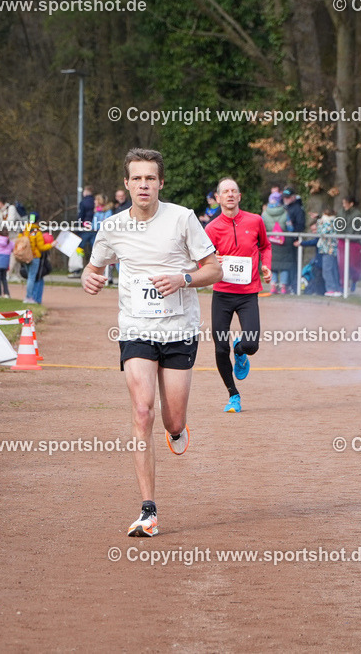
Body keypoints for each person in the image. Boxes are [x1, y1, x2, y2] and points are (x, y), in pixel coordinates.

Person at [81, 148, 222, 537]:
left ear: (160, 183)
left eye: (150, 178)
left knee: (172, 418)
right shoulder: (111, 228)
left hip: (179, 331)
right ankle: (148, 510)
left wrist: (183, 279)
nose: (143, 185)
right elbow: (94, 269)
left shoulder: (182, 219)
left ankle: (177, 430)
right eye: (136, 178)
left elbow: (215, 268)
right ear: (126, 184)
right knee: (143, 412)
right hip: (136, 330)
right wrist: (89, 280)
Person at [203, 178, 270, 413]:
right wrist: (213, 261)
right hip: (222, 294)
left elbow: (265, 246)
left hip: (248, 293)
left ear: (239, 196)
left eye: (234, 191)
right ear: (218, 198)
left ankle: (240, 350)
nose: (230, 195)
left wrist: (266, 266)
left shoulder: (255, 221)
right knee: (220, 348)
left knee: (252, 343)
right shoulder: (211, 228)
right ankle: (233, 395)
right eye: (225, 192)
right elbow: (202, 258)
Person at [262, 193, 292, 294]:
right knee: (284, 265)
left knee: (272, 264)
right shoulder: (285, 212)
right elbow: (290, 228)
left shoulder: (265, 213)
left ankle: (273, 286)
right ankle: (283, 287)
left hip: (270, 242)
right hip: (284, 242)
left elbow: (261, 227)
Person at [22, 213, 53, 305]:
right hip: (34, 257)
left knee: (29, 277)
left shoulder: (25, 229)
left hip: (25, 256)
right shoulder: (37, 232)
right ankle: (29, 297)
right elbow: (41, 247)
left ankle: (29, 296)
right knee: (32, 277)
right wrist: (51, 244)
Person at [337, 196, 361, 292]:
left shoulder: (357, 215)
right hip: (343, 241)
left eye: (345, 203)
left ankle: (354, 281)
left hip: (353, 242)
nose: (344, 205)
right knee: (342, 264)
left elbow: (355, 229)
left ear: (351, 203)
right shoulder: (341, 212)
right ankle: (343, 284)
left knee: (353, 265)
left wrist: (350, 237)